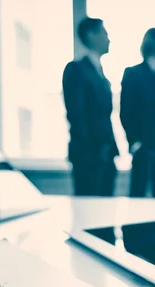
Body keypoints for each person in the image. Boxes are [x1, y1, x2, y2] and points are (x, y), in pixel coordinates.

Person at [62, 17, 119, 196]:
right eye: (104, 33)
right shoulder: (76, 70)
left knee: (106, 212)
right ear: (90, 35)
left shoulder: (100, 73)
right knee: (89, 211)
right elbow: (76, 115)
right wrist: (89, 153)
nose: (108, 39)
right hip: (89, 156)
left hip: (106, 154)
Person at [120, 28, 155, 198]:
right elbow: (125, 111)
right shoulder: (133, 73)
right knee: (139, 194)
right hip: (144, 147)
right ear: (153, 41)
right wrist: (135, 142)